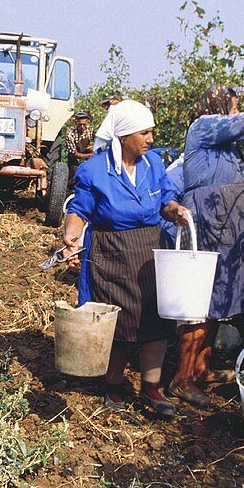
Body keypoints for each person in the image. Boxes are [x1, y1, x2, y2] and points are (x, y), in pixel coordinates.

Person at [62, 100, 190, 417]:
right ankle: (114, 384)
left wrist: (176, 213)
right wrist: (71, 237)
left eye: (152, 132)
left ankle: (151, 388)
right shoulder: (95, 169)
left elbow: (164, 202)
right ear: (124, 135)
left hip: (149, 249)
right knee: (115, 322)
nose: (150, 138)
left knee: (154, 320)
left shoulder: (154, 165)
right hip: (111, 253)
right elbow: (79, 210)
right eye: (144, 132)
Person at [169, 87, 244, 408]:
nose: (236, 112)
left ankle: (201, 370)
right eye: (234, 106)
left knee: (217, 301)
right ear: (218, 106)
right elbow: (239, 125)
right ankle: (182, 379)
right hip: (209, 224)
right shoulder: (204, 127)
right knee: (199, 302)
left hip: (231, 235)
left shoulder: (229, 152)